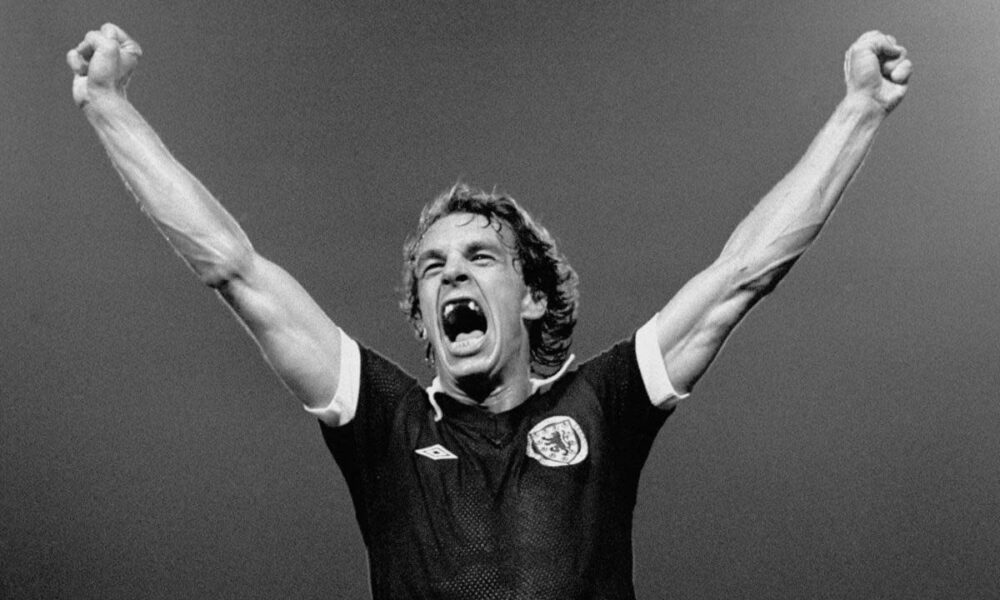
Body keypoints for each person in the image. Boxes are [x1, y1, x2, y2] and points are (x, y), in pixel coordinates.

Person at [67, 23, 912, 599]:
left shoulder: (603, 404)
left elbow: (743, 273)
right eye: (432, 269)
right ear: (424, 316)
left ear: (531, 295)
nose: (450, 277)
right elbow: (234, 267)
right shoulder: (385, 422)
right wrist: (107, 105)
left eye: (478, 258)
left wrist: (860, 108)